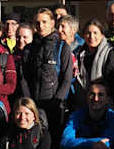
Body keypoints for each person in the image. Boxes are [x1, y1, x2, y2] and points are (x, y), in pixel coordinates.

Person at [21, 8, 76, 140]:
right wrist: (29, 101)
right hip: (33, 106)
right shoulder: (29, 49)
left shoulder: (62, 47)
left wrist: (57, 101)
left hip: (55, 107)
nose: (41, 26)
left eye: (44, 22)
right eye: (37, 22)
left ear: (52, 23)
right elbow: (24, 77)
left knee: (54, 144)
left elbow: (67, 78)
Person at [77, 18, 114, 109]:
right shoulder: (80, 54)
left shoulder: (109, 53)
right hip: (85, 102)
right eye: (88, 33)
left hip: (105, 103)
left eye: (95, 33)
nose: (91, 36)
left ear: (102, 35)